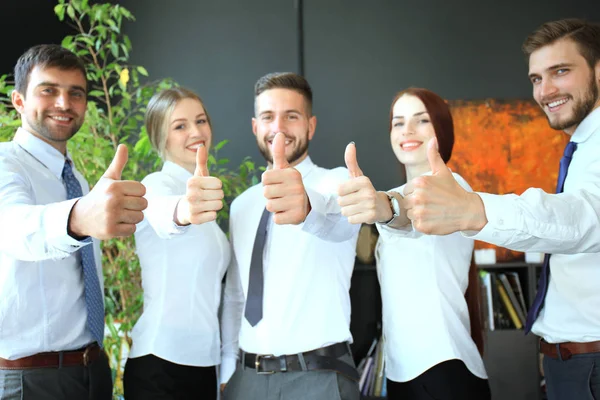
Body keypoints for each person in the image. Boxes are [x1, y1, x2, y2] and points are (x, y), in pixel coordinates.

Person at [398, 19, 600, 399]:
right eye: (536, 78)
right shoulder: (582, 147)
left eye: (560, 71)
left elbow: (584, 219)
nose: (546, 90)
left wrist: (474, 210)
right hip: (571, 362)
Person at [0, 44, 147, 399]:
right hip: (29, 379)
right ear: (18, 101)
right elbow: (14, 228)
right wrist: (78, 217)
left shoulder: (78, 180)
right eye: (49, 90)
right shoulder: (6, 163)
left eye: (75, 93)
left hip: (92, 369)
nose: (64, 103)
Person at [337, 88, 490, 399]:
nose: (407, 130)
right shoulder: (399, 189)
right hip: (402, 371)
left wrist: (384, 207)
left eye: (421, 121)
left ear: (441, 131)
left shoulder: (455, 188)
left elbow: (405, 210)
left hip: (443, 369)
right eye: (398, 122)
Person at [219, 72, 361, 400]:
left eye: (291, 116)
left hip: (320, 378)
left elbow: (337, 221)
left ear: (310, 126)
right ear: (256, 127)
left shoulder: (335, 183)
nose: (279, 128)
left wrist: (307, 206)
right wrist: (228, 371)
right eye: (268, 117)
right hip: (247, 380)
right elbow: (236, 296)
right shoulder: (241, 206)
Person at [122, 88, 229, 399]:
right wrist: (183, 212)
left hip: (205, 364)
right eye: (180, 125)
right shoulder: (155, 186)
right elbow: (163, 213)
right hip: (160, 365)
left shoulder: (204, 195)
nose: (196, 132)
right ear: (161, 138)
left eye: (201, 121)